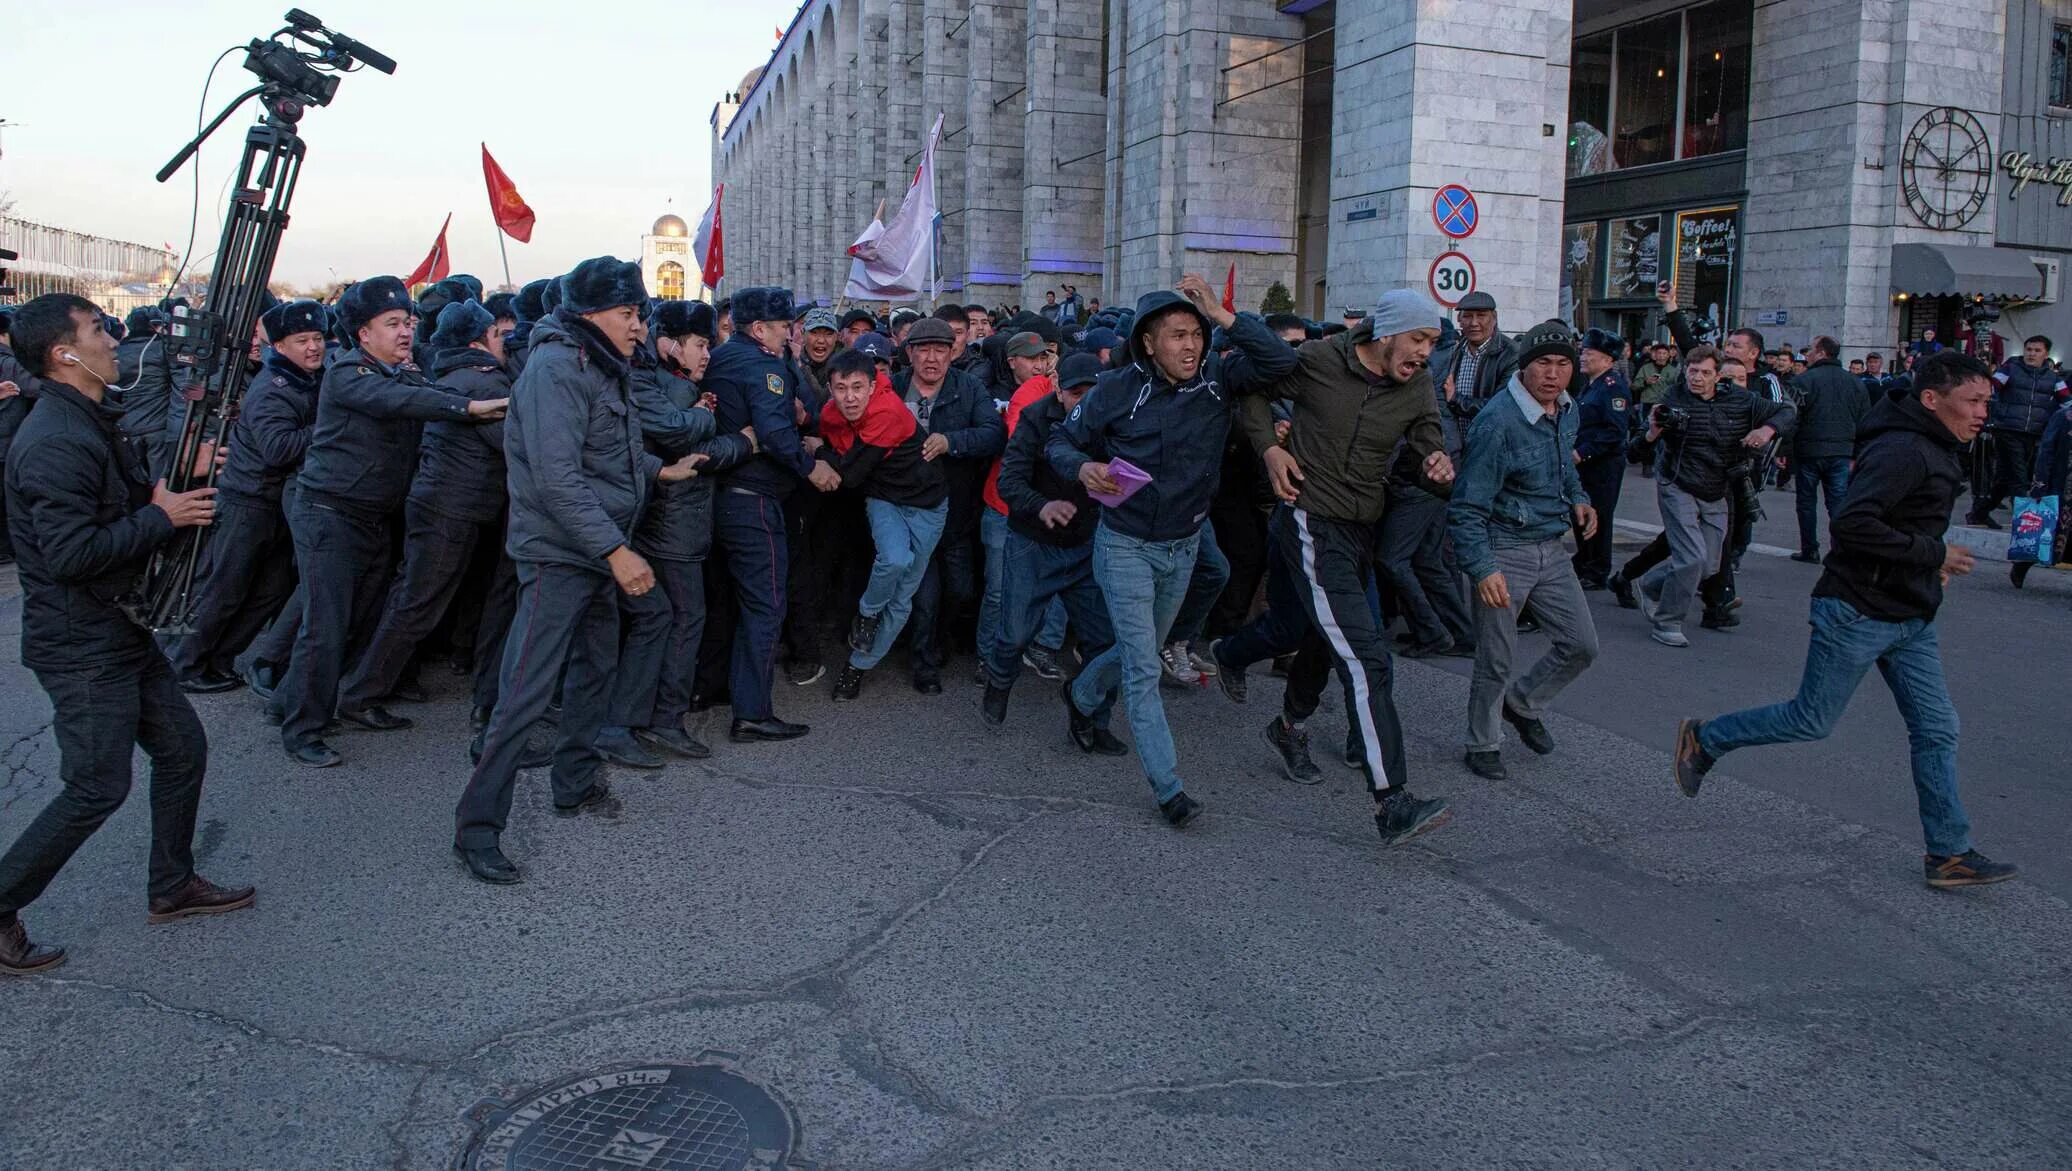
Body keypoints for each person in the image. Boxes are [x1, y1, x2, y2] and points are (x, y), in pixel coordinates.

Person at [1675, 351, 2018, 890]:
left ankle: (1949, 855)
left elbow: (1903, 526)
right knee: (1810, 720)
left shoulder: (1935, 444)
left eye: (1986, 402)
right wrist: (1933, 555)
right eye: (1973, 401)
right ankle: (1707, 737)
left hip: (1910, 615)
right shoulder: (1904, 449)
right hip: (1857, 611)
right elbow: (1854, 524)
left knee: (1937, 728)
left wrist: (1929, 565)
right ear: (1932, 399)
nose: (1982, 413)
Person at [0, 294, 253, 976]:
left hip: (116, 627)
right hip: (81, 642)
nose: (114, 339)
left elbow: (120, 503)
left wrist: (179, 478)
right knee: (95, 786)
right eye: (97, 329)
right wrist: (165, 517)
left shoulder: (84, 416)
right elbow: (71, 555)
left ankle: (172, 885)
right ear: (64, 354)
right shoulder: (55, 437)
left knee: (182, 748)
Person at [451, 257, 705, 884]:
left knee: (597, 670)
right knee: (526, 693)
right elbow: (557, 478)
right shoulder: (557, 368)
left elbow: (608, 449)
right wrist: (616, 552)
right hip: (562, 554)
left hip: (595, 549)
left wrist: (655, 471)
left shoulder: (599, 362)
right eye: (628, 314)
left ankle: (573, 783)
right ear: (592, 313)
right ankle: (476, 829)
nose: (640, 327)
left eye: (639, 314)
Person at [1051, 275, 1297, 827]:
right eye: (1177, 336)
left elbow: (1281, 362)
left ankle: (1083, 696)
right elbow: (1059, 441)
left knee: (1144, 648)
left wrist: (1224, 316)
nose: (1190, 346)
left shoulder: (1220, 378)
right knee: (1143, 668)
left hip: (1183, 545)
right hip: (1124, 546)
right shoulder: (1115, 388)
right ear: (1147, 343)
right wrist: (1083, 467)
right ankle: (1170, 791)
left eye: (1196, 334)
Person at [1208, 288, 1451, 844]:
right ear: (1385, 333)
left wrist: (1435, 459)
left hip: (1362, 526)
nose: (1425, 353)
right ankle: (1391, 800)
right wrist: (1269, 446)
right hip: (1310, 520)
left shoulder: (1415, 384)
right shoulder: (1319, 360)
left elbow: (1426, 432)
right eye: (1419, 339)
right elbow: (1250, 390)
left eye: (1434, 343)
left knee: (1307, 631)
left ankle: (1251, 679)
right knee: (1366, 657)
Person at [273, 278, 509, 768]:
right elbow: (404, 403)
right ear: (363, 333)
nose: (407, 332)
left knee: (357, 618)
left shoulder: (399, 373)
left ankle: (302, 703)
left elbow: (419, 391)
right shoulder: (350, 373)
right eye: (393, 324)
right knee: (325, 626)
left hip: (370, 516)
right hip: (329, 514)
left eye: (409, 322)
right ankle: (302, 728)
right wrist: (467, 407)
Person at [332, 299, 517, 731]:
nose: (504, 344)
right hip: (451, 509)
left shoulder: (451, 374)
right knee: (417, 604)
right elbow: (516, 446)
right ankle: (361, 695)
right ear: (478, 341)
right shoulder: (483, 383)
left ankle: (376, 683)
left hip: (441, 504)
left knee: (412, 600)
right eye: (497, 335)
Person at [596, 299, 754, 761]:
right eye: (701, 344)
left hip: (671, 524)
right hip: (669, 526)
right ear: (669, 344)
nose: (709, 354)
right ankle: (656, 721)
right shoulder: (666, 387)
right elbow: (688, 445)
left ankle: (640, 720)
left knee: (664, 620)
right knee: (681, 621)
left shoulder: (680, 384)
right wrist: (742, 440)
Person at [1448, 321, 1601, 780]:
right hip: (1503, 549)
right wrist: (1483, 568)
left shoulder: (1567, 409)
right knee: (1496, 656)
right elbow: (1467, 508)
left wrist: (1579, 497)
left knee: (1581, 645)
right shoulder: (1497, 423)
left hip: (1550, 546)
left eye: (1563, 364)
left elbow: (1562, 465)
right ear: (1524, 367)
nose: (1553, 374)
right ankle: (1482, 742)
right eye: (1543, 364)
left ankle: (1523, 703)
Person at [165, 299, 325, 692]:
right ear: (280, 347)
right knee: (224, 588)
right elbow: (279, 448)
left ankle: (219, 659)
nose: (313, 347)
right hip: (246, 501)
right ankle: (185, 666)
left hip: (272, 504)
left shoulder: (309, 380)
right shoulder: (273, 389)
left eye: (318, 337)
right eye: (301, 340)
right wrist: (332, 428)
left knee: (268, 591)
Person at [704, 286, 836, 742]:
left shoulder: (724, 357)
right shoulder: (762, 365)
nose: (789, 336)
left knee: (729, 601)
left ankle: (719, 688)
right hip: (754, 499)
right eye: (783, 328)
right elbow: (775, 434)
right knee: (766, 605)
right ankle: (753, 713)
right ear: (759, 329)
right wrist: (810, 467)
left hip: (725, 495)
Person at [982, 352, 1116, 731]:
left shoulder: (1114, 419)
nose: (1085, 402)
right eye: (1076, 393)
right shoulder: (1034, 418)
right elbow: (1009, 482)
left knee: (1102, 642)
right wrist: (1042, 506)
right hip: (1033, 542)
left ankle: (1091, 719)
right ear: (1058, 390)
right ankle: (999, 680)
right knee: (1014, 634)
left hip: (1087, 542)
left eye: (1094, 392)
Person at [1629, 344, 1794, 647]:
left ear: (1718, 376)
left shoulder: (1742, 400)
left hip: (1717, 488)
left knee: (1709, 565)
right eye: (1693, 372)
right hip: (1677, 484)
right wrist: (1653, 432)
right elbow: (1635, 448)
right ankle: (1667, 622)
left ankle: (1652, 584)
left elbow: (1788, 409)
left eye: (1705, 373)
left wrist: (1767, 431)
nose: (1698, 379)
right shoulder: (1673, 397)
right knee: (1691, 558)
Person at [812, 349, 950, 700]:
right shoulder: (829, 414)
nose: (850, 397)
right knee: (895, 559)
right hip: (885, 498)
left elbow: (851, 474)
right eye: (841, 388)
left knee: (903, 595)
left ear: (873, 387)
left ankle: (857, 666)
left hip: (927, 505)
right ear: (829, 388)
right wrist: (823, 446)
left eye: (858, 387)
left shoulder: (887, 411)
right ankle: (868, 614)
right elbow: (842, 456)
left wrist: (818, 452)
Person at [893, 315, 1006, 694]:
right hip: (910, 514)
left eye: (940, 350)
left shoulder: (970, 387)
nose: (931, 358)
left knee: (960, 591)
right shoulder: (892, 389)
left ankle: (940, 640)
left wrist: (951, 442)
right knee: (924, 596)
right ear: (909, 353)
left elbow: (993, 434)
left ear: (952, 352)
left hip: (957, 515)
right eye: (922, 349)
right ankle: (923, 664)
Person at [1968, 336, 2067, 528]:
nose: (2031, 354)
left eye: (2037, 350)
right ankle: (2024, 524)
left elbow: (2067, 402)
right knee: (2019, 478)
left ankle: (1979, 513)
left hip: (2034, 434)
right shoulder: (2011, 369)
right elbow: (1990, 388)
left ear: (2045, 354)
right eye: (2028, 349)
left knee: (2005, 479)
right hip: (2007, 430)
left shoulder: (2054, 378)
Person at [1788, 336, 1871, 562]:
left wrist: (1785, 451)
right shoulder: (1855, 383)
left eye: (1812, 350)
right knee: (1838, 504)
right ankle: (1840, 550)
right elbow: (1865, 422)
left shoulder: (1803, 381)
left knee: (1806, 503)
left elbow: (1791, 419)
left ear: (1822, 352)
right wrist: (1857, 454)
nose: (1808, 355)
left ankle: (1810, 549)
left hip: (1809, 451)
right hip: (1842, 452)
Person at [1571, 327, 1630, 589]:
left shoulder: (1613, 388)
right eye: (1583, 352)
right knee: (1582, 514)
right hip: (1585, 464)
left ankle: (1597, 570)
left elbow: (1614, 431)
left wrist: (1583, 452)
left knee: (1600, 516)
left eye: (1589, 353)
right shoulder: (1591, 386)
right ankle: (1585, 560)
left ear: (1608, 359)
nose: (1583, 357)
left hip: (1602, 464)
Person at [1429, 291, 1518, 418]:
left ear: (1494, 318)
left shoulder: (1511, 354)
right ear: (1459, 320)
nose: (1474, 323)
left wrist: (1455, 399)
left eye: (1481, 316)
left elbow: (1502, 406)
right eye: (1468, 316)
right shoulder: (1453, 353)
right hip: (1455, 436)